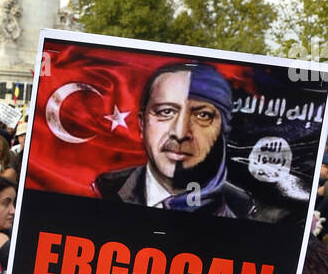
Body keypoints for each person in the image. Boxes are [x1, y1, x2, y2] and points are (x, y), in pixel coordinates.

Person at [93, 61, 252, 217]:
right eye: (165, 112)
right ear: (142, 124)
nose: (180, 133)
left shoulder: (245, 209)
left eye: (202, 115)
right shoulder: (103, 188)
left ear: (222, 130)